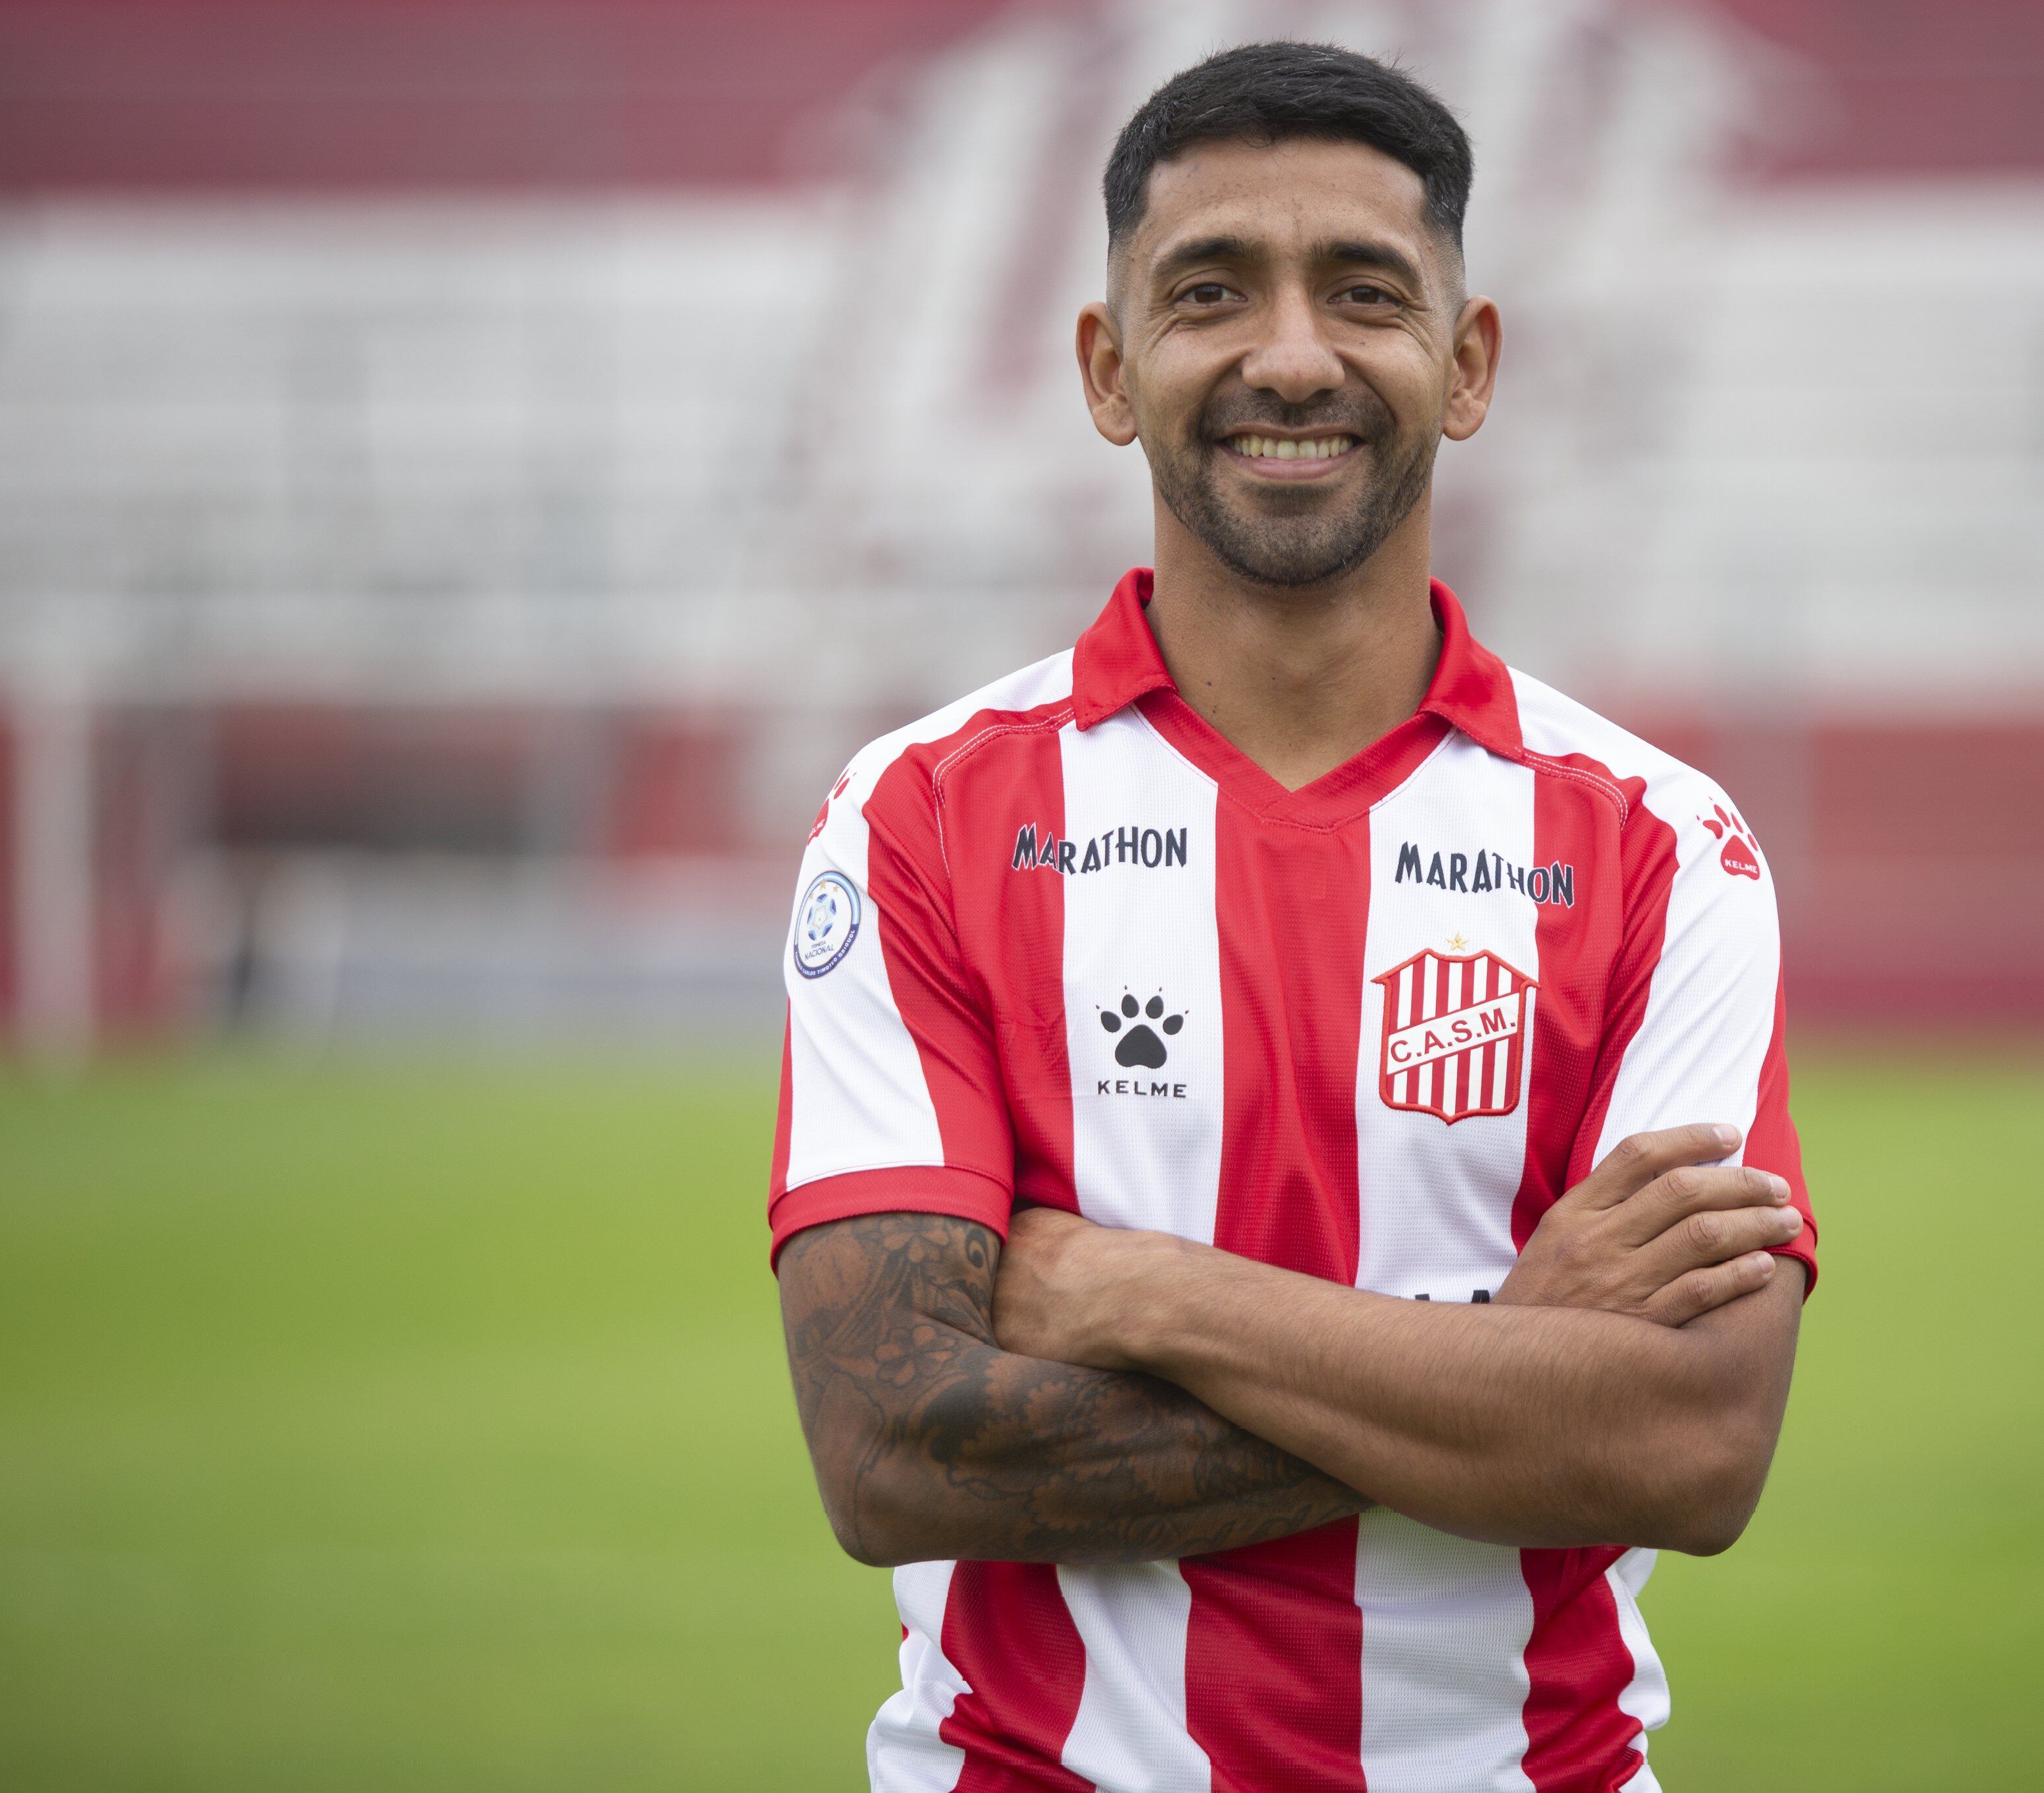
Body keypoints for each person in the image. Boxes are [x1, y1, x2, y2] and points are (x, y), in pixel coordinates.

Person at [769, 41, 1816, 1792]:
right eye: (1209, 292)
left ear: (1468, 364)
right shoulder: (920, 822)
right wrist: (1505, 1362)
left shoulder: (1659, 849)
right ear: (1109, 370)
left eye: (1362, 293)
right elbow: (893, 1449)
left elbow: (1687, 1441)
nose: (1291, 356)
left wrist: (1134, 1290)